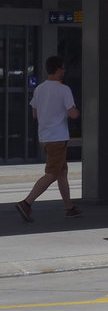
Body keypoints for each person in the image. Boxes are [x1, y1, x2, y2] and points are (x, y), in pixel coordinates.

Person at [15, 56, 82, 222]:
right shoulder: (63, 89)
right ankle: (26, 203)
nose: (65, 71)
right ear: (59, 69)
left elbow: (34, 113)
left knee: (62, 173)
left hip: (44, 137)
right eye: (64, 68)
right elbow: (72, 113)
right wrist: (76, 112)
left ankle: (70, 208)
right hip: (58, 138)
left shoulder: (39, 89)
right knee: (52, 173)